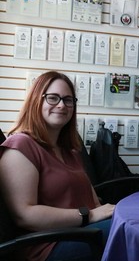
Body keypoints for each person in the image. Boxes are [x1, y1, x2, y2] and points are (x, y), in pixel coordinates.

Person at [0, 71, 115, 261]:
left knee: (138, 223)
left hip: (83, 232)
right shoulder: (20, 146)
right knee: (130, 232)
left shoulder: (70, 151)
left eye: (68, 100)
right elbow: (25, 215)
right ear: (36, 100)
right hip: (49, 246)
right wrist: (90, 216)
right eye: (53, 98)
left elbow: (95, 202)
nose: (62, 105)